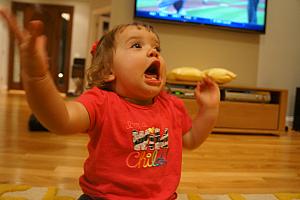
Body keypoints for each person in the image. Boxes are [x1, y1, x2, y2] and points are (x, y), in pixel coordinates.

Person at [0, 8, 220, 200]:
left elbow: (190, 140)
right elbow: (61, 120)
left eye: (157, 48)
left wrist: (209, 110)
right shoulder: (101, 102)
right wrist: (37, 76)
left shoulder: (171, 105)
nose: (153, 51)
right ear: (108, 72)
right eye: (136, 45)